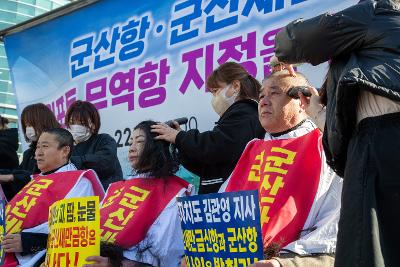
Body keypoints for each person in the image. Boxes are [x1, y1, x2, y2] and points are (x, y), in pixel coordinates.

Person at [274, 1, 400, 266]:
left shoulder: (378, 11)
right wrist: (321, 113)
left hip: (382, 146)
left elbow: (292, 41)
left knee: (368, 252)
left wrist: (283, 52)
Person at [216, 71, 342, 267]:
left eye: (274, 93)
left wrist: (288, 263)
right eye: (261, 95)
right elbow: (222, 208)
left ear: (302, 101)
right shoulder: (252, 148)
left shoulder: (324, 144)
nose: (264, 102)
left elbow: (334, 226)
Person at [84, 121, 193, 267]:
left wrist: (115, 264)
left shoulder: (175, 192)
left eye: (140, 141)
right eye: (130, 142)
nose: (131, 149)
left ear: (156, 146)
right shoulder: (116, 187)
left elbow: (168, 258)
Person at [152, 62, 265, 194]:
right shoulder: (238, 117)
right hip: (222, 201)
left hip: (235, 200)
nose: (214, 98)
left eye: (215, 91)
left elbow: (218, 145)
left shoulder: (245, 112)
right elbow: (207, 163)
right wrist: (181, 143)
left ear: (235, 86)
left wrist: (179, 137)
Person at [1, 128, 105, 267]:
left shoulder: (79, 183)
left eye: (45, 146)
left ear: (65, 151)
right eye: (37, 147)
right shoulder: (36, 180)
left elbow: (77, 237)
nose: (38, 152)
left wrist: (29, 242)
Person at [0, 103, 60, 201]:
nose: (28, 129)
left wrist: (10, 177)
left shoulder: (57, 150)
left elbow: (39, 177)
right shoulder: (28, 153)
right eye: (26, 125)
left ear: (43, 122)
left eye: (31, 124)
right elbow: (19, 173)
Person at [65, 100, 123, 189]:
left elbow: (105, 162)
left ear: (94, 124)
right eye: (72, 123)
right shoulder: (67, 148)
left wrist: (73, 162)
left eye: (82, 123)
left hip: (107, 198)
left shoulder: (104, 140)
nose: (76, 127)